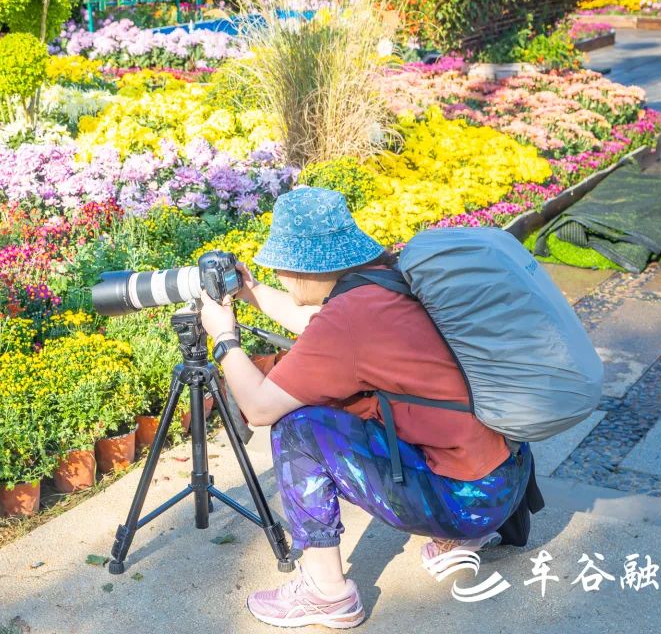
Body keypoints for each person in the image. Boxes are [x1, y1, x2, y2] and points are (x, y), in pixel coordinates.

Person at [199, 186, 535, 629]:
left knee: (296, 428)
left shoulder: (349, 320)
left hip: (468, 505)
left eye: (280, 264)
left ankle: (326, 594)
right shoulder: (389, 278)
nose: (276, 273)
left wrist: (224, 339)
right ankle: (459, 536)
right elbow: (318, 323)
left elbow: (259, 408)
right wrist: (252, 292)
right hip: (508, 478)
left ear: (307, 266)